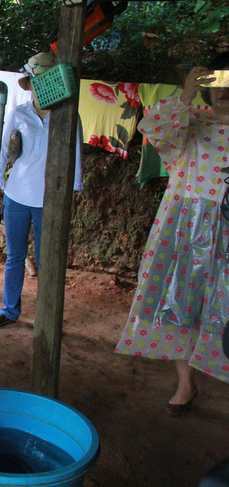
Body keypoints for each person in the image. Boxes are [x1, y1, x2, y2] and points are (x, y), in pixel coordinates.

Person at [115, 53, 229, 416]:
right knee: (179, 303)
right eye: (216, 81)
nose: (225, 89)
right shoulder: (190, 121)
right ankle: (186, 381)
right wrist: (185, 94)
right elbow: (153, 127)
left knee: (222, 306)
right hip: (184, 229)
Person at [0, 52, 84, 328]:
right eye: (32, 80)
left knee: (46, 260)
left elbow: (75, 157)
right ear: (28, 83)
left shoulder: (68, 117)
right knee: (15, 255)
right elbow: (3, 150)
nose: (36, 85)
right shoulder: (20, 113)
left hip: (49, 200)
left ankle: (47, 316)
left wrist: (73, 195)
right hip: (17, 195)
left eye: (41, 80)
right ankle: (9, 309)